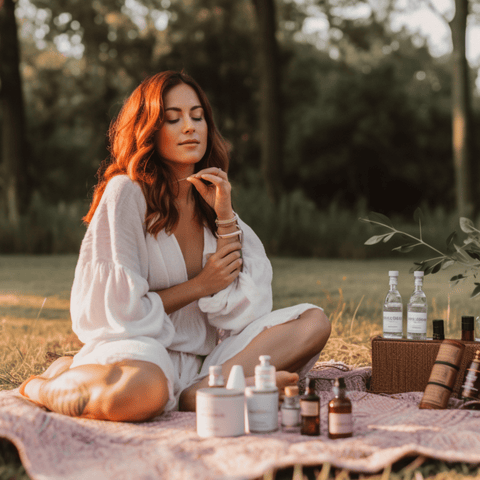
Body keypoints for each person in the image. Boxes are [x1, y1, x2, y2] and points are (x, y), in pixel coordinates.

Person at [19, 71, 331, 421]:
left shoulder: (211, 202)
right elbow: (116, 313)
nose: (190, 127)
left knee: (313, 321)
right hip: (142, 353)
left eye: (197, 117)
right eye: (173, 118)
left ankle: (200, 391)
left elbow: (244, 313)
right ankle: (43, 384)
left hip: (207, 361)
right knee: (142, 394)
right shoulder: (126, 194)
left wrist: (224, 215)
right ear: (149, 129)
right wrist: (198, 287)